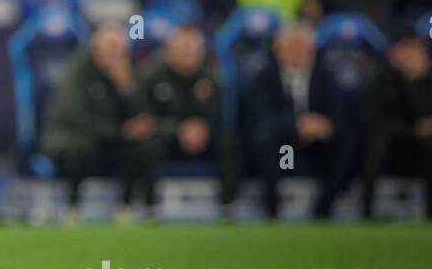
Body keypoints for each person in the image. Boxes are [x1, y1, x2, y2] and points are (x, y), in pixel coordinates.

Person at [41, 22, 155, 221]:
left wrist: (126, 88)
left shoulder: (129, 71)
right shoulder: (77, 70)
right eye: (109, 50)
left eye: (119, 51)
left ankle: (127, 208)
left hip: (111, 140)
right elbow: (76, 118)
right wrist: (121, 132)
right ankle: (73, 208)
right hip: (72, 136)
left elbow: (144, 119)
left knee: (145, 145)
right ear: (95, 49)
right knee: (79, 146)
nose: (114, 57)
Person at [243, 23, 347, 218]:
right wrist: (296, 125)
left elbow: (339, 112)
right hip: (286, 151)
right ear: (278, 52)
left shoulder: (325, 76)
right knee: (265, 139)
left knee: (346, 141)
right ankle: (273, 206)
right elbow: (259, 116)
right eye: (291, 48)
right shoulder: (265, 77)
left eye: (303, 48)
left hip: (318, 148)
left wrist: (324, 124)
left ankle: (324, 208)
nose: (298, 54)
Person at [136, 25, 236, 217]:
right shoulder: (150, 75)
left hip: (204, 138)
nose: (188, 56)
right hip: (167, 138)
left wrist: (203, 129)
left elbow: (219, 116)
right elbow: (144, 120)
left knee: (229, 141)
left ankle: (228, 206)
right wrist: (177, 130)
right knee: (147, 146)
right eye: (183, 50)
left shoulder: (212, 76)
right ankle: (150, 207)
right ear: (169, 51)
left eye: (193, 51)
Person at [360, 32, 432, 218]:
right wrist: (412, 130)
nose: (409, 55)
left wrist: (413, 80)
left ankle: (431, 210)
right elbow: (373, 119)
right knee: (376, 142)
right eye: (405, 49)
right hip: (388, 138)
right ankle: (367, 210)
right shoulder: (378, 76)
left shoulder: (429, 78)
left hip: (416, 143)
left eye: (414, 50)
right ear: (393, 52)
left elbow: (431, 116)